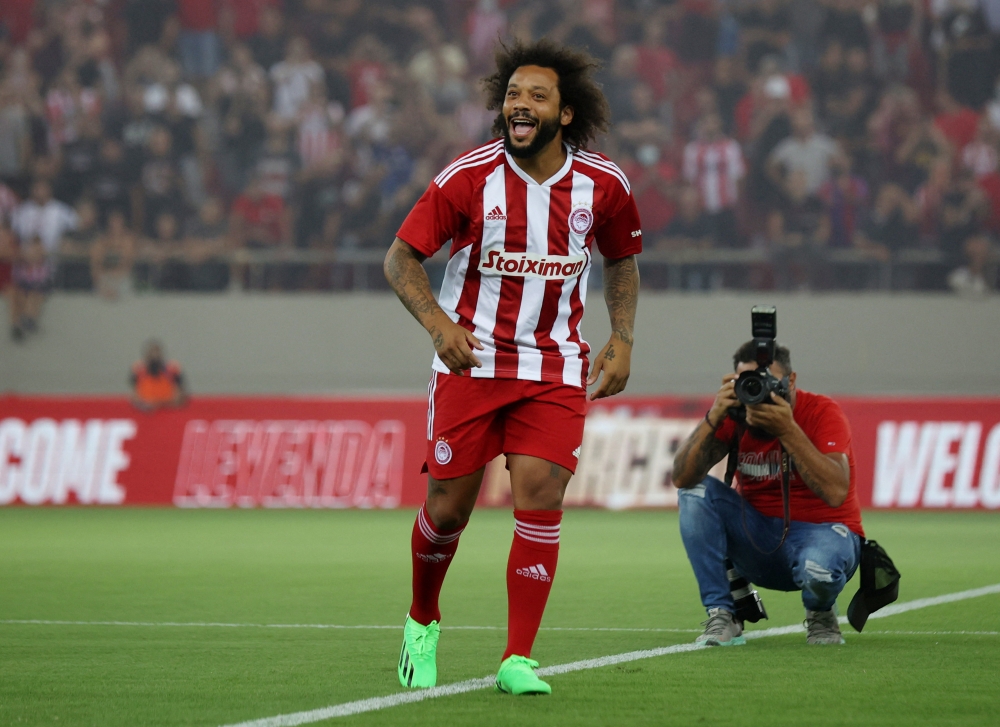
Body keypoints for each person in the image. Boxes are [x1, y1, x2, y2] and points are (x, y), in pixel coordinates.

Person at [383, 39, 642, 696]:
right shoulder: (467, 178)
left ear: (563, 114)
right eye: (512, 96)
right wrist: (439, 326)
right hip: (472, 366)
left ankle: (517, 657)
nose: (518, 106)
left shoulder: (603, 185)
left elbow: (621, 260)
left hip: (554, 365)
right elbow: (399, 260)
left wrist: (623, 338)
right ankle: (422, 618)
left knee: (541, 492)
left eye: (536, 96)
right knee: (447, 508)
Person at [671, 341, 864, 647]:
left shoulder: (821, 411)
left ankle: (820, 612)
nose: (760, 390)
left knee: (819, 570)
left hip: (823, 534)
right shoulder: (737, 414)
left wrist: (787, 429)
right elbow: (681, 477)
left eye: (768, 381)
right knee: (694, 493)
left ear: (791, 381)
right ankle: (723, 612)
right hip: (759, 538)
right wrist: (715, 416)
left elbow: (836, 491)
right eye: (750, 381)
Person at [131, 340, 187, 411]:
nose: (154, 357)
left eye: (157, 354)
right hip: (145, 413)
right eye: (151, 354)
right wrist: (143, 405)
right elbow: (134, 396)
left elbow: (180, 397)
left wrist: (158, 404)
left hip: (168, 412)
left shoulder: (172, 370)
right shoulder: (139, 370)